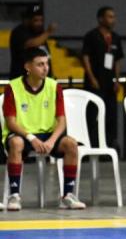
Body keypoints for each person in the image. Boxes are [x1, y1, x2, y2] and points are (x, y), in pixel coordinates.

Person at [3, 47, 86, 211]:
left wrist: (51, 141)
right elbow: (11, 122)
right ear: (28, 67)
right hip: (23, 135)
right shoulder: (12, 88)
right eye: (40, 64)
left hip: (48, 135)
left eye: (46, 63)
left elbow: (62, 121)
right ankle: (14, 196)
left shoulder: (54, 87)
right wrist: (31, 138)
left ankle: (67, 196)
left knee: (71, 144)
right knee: (16, 143)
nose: (45, 68)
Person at [81, 6, 124, 149]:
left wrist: (117, 80)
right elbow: (85, 57)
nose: (113, 20)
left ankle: (110, 144)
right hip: (94, 83)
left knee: (110, 114)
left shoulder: (116, 38)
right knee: (93, 114)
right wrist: (91, 77)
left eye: (114, 17)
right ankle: (91, 145)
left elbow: (117, 60)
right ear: (101, 19)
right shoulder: (91, 36)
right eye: (110, 16)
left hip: (109, 83)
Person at [8, 6, 56, 80]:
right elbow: (32, 44)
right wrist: (48, 32)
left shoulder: (39, 33)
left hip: (41, 82)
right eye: (36, 20)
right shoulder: (19, 32)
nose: (39, 23)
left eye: (41, 20)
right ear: (27, 20)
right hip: (23, 81)